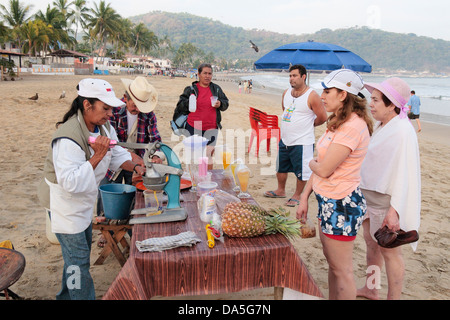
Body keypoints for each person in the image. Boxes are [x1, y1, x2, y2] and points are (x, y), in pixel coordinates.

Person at [37, 78, 146, 300]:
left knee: (76, 259)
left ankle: (66, 297)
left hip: (83, 202)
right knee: (78, 264)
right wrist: (97, 155)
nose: (110, 113)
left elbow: (117, 154)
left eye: (111, 108)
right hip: (65, 206)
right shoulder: (67, 139)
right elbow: (71, 183)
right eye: (105, 108)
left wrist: (135, 165)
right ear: (87, 105)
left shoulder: (104, 127)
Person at [296, 69, 373, 300]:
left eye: (327, 91)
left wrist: (309, 161)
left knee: (343, 270)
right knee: (333, 265)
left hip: (342, 204)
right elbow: (321, 167)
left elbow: (324, 169)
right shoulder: (339, 121)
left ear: (343, 95)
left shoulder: (352, 126)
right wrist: (304, 196)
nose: (321, 96)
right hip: (328, 200)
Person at [357, 78, 421, 300]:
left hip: (386, 203)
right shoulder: (383, 126)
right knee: (372, 246)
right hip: (368, 197)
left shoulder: (403, 131)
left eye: (375, 100)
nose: (370, 104)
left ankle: (393, 298)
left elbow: (405, 173)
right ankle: (371, 288)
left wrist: (394, 210)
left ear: (392, 103)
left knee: (390, 252)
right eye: (371, 99)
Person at [264, 64, 327, 207]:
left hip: (303, 141)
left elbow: (323, 117)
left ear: (303, 76)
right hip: (285, 139)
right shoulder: (286, 92)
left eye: (294, 76)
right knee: (281, 167)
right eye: (290, 76)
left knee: (302, 170)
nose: (291, 79)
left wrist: (308, 125)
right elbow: (285, 110)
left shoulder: (312, 95)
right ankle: (281, 190)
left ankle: (297, 195)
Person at [107, 76, 164, 185]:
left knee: (134, 193)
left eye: (141, 106)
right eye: (134, 105)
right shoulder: (112, 111)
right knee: (110, 194)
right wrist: (132, 156)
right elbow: (111, 142)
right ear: (125, 98)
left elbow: (155, 139)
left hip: (139, 164)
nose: (138, 110)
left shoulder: (148, 114)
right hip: (114, 162)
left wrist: (156, 155)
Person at [174, 63, 229, 169]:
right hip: (194, 126)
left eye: (210, 73)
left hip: (212, 127)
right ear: (199, 74)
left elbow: (225, 102)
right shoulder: (190, 89)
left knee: (208, 157)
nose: (207, 76)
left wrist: (220, 104)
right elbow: (180, 106)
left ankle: (207, 179)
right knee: (194, 157)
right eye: (205, 73)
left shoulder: (216, 89)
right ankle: (195, 181)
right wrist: (188, 102)